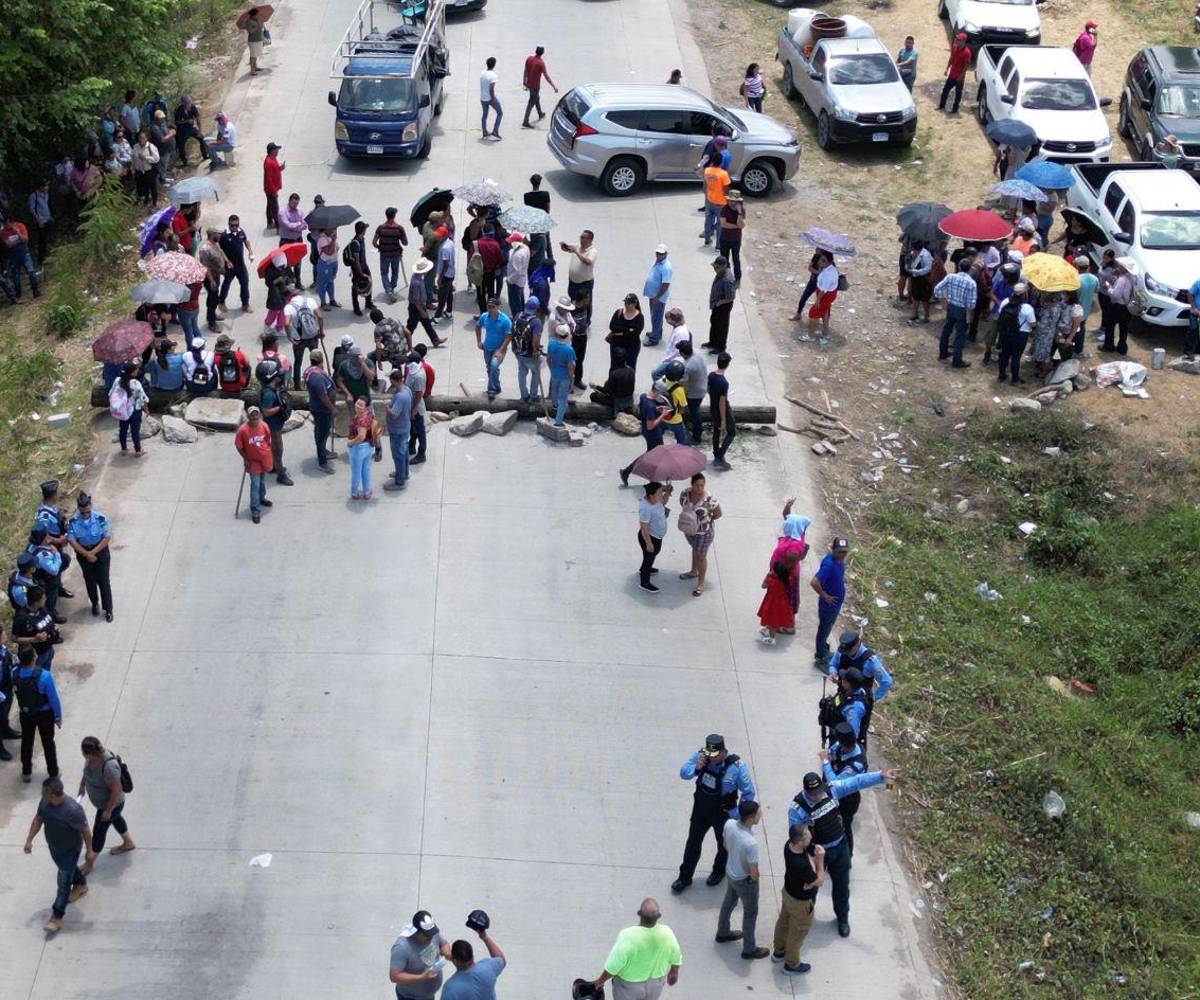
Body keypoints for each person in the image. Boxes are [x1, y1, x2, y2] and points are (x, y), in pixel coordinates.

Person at [787, 767, 896, 937]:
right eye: (813, 794)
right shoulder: (798, 809)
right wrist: (807, 858)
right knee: (810, 889)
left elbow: (855, 782)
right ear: (805, 791)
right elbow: (796, 838)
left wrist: (880, 776)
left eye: (819, 792)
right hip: (818, 854)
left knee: (842, 887)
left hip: (840, 848)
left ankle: (842, 918)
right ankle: (805, 918)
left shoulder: (831, 790)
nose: (818, 796)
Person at [673, 731, 755, 892]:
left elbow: (748, 792)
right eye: (709, 754)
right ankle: (684, 877)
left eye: (715, 755)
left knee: (723, 846)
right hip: (701, 809)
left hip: (723, 812)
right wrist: (696, 768)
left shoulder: (736, 767)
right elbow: (683, 773)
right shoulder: (701, 757)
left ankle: (718, 872)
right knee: (692, 843)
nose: (711, 758)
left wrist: (739, 816)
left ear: (723, 751)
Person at [24, 776, 94, 933]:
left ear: (54, 794)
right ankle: (81, 884)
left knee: (63, 885)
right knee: (67, 871)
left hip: (70, 850)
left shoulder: (73, 810)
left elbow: (86, 831)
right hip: (55, 848)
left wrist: (89, 851)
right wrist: (29, 840)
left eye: (44, 794)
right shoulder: (45, 803)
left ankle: (56, 917)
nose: (41, 796)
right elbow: (38, 820)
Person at [592, 899, 681, 1000]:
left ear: (639, 913)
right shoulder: (667, 933)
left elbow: (614, 966)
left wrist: (600, 981)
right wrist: (674, 971)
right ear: (659, 915)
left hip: (629, 988)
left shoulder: (627, 936)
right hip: (655, 986)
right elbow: (676, 954)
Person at [715, 800, 769, 960]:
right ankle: (749, 949)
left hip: (731, 873)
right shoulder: (750, 843)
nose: (761, 814)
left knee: (728, 903)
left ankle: (722, 932)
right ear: (752, 818)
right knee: (750, 913)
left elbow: (725, 845)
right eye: (759, 812)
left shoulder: (730, 824)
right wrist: (755, 880)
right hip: (745, 881)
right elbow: (753, 872)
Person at [771, 823, 825, 975]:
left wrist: (811, 880)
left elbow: (812, 879)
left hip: (788, 893)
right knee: (797, 933)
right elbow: (819, 881)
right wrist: (819, 860)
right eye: (808, 837)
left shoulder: (788, 846)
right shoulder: (801, 865)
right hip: (800, 903)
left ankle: (779, 951)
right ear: (800, 842)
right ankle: (791, 964)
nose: (811, 838)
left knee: (783, 921)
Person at [827, 629, 893, 744]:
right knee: (835, 724)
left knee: (854, 736)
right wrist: (833, 672)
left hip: (859, 702)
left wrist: (873, 698)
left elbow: (886, 682)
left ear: (858, 644)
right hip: (843, 695)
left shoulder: (870, 661)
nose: (845, 653)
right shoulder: (842, 651)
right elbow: (833, 664)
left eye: (848, 651)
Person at [78, 736, 135, 863]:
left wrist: (108, 811)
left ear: (91, 753)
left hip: (111, 805)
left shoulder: (109, 766)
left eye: (83, 752)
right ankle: (128, 842)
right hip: (103, 804)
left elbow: (116, 790)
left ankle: (90, 863)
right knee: (116, 819)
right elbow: (86, 771)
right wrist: (82, 785)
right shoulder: (91, 759)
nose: (82, 754)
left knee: (99, 832)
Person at [15, 645, 62, 779]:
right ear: (34, 657)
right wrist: (58, 716)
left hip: (25, 713)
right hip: (44, 714)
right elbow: (53, 699)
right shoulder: (44, 676)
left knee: (26, 741)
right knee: (48, 743)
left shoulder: (15, 673)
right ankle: (53, 772)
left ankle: (26, 772)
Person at [822, 723, 869, 855]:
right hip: (833, 794)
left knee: (844, 827)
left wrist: (825, 763)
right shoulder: (841, 746)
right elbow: (831, 751)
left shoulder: (856, 763)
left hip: (848, 799)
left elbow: (836, 783)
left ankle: (848, 855)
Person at [67, 493, 113, 622]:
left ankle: (108, 609)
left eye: (87, 510)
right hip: (83, 553)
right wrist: (86, 554)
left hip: (100, 551)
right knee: (90, 581)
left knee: (104, 581)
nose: (85, 513)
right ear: (79, 508)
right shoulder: (73, 521)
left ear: (90, 506)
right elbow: (72, 540)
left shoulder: (100, 518)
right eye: (83, 511)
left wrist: (93, 552)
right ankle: (94, 603)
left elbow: (107, 537)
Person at [390, 910, 451, 1000]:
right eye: (427, 935)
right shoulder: (401, 947)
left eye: (431, 934)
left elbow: (443, 943)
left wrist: (446, 953)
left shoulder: (432, 932)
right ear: (416, 932)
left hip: (428, 996)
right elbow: (394, 976)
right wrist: (421, 977)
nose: (430, 937)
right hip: (410, 997)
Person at [619, 379, 668, 485]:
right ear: (658, 391)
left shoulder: (643, 397)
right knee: (656, 457)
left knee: (649, 455)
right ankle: (652, 481)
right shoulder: (650, 407)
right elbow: (650, 426)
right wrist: (662, 415)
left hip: (646, 433)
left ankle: (627, 471)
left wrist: (658, 409)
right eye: (662, 393)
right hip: (653, 434)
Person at [811, 537, 849, 667]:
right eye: (839, 551)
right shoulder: (829, 564)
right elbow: (814, 582)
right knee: (824, 630)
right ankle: (820, 657)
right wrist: (825, 596)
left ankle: (824, 649)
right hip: (828, 606)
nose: (842, 555)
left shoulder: (839, 561)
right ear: (833, 550)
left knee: (827, 629)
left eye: (845, 552)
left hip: (835, 605)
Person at [442, 924, 506, 1000]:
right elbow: (501, 959)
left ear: (455, 960)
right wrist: (485, 937)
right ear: (472, 955)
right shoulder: (487, 968)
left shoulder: (450, 988)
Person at [934, 259, 977, 368]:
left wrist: (944, 300)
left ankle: (943, 353)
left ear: (959, 266)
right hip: (962, 310)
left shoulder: (951, 277)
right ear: (970, 269)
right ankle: (957, 360)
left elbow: (937, 289)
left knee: (946, 329)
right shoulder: (971, 283)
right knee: (960, 335)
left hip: (951, 306)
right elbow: (971, 304)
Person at [234, 406, 273, 524]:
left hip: (264, 459)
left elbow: (268, 440)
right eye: (252, 415)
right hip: (252, 461)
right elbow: (239, 446)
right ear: (248, 417)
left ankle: (262, 498)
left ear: (259, 415)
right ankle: (255, 510)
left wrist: (267, 453)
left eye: (257, 414)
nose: (255, 417)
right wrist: (245, 458)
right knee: (255, 485)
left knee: (262, 481)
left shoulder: (264, 426)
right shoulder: (242, 430)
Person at [772, 501, 809, 624]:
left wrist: (776, 574)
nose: (785, 524)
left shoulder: (794, 546)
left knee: (786, 598)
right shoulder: (797, 534)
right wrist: (788, 507)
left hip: (785, 576)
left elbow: (789, 565)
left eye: (788, 523)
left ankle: (788, 624)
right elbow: (786, 516)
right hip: (781, 572)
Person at [996, 282, 1035, 384]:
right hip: (1021, 334)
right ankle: (1014, 379)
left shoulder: (1005, 302)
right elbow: (1033, 324)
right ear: (1024, 294)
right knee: (1016, 357)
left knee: (1004, 353)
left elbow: (1000, 314)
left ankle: (1001, 374)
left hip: (1005, 331)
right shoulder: (1027, 308)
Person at [475, 297, 512, 399]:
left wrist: (500, 351)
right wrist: (478, 341)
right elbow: (477, 326)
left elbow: (509, 336)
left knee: (493, 366)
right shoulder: (484, 316)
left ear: (497, 307)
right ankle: (497, 386)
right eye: (489, 307)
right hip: (487, 348)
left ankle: (491, 389)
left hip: (499, 349)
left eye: (493, 307)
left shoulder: (505, 320)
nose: (490, 309)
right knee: (490, 368)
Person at [108, 363, 150, 456]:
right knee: (135, 431)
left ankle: (124, 448)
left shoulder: (117, 381)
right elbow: (142, 398)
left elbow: (110, 393)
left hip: (123, 410)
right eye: (136, 370)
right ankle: (138, 450)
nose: (137, 371)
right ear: (132, 373)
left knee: (123, 429)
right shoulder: (136, 383)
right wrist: (146, 410)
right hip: (135, 410)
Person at [546, 297, 577, 423]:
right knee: (563, 399)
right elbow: (570, 366)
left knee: (554, 390)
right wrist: (572, 379)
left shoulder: (552, 345)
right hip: (565, 375)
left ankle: (554, 405)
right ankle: (558, 422)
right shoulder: (569, 350)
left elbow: (548, 359)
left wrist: (551, 368)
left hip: (555, 372)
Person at [637, 481, 669, 593]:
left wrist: (668, 493)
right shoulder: (645, 508)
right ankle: (644, 582)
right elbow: (644, 527)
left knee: (653, 554)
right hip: (649, 537)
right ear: (651, 495)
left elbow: (663, 502)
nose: (662, 494)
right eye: (660, 493)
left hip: (657, 536)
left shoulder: (656, 500)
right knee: (648, 559)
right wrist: (649, 543)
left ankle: (645, 569)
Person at [384, 369, 413, 492]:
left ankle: (399, 482)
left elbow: (394, 414)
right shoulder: (407, 390)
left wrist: (387, 408)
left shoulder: (401, 396)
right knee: (404, 452)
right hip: (404, 426)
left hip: (398, 429)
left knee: (398, 455)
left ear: (394, 381)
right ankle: (404, 473)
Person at [512, 295, 544, 401]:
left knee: (522, 371)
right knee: (535, 372)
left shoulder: (518, 315)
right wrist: (535, 350)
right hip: (530, 353)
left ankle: (524, 395)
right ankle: (533, 396)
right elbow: (536, 337)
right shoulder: (536, 321)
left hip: (518, 350)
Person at [373, 207, 408, 302]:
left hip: (384, 254)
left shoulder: (380, 228)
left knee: (384, 273)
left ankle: (388, 290)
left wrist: (380, 248)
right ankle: (392, 288)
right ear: (394, 216)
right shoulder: (399, 228)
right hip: (396, 254)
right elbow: (405, 242)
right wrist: (400, 236)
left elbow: (374, 242)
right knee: (395, 272)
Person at [707, 352, 735, 469]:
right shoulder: (724, 383)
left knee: (716, 431)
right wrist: (724, 420)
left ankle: (716, 453)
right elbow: (722, 402)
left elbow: (708, 389)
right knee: (732, 432)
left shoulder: (711, 375)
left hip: (713, 407)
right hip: (721, 410)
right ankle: (720, 455)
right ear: (727, 365)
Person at [347, 397, 378, 500]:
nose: (357, 406)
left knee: (356, 473)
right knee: (366, 470)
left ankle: (354, 493)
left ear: (365, 407)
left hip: (358, 448)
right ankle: (367, 491)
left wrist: (350, 442)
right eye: (357, 403)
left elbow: (361, 436)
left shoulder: (361, 420)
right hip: (368, 447)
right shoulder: (369, 414)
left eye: (361, 405)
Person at [562, 229, 597, 325]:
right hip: (573, 282)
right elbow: (567, 249)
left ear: (589, 239)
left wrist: (577, 252)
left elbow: (588, 262)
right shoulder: (577, 246)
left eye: (583, 237)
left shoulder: (592, 251)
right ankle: (573, 319)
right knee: (573, 301)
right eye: (580, 237)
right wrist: (564, 246)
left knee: (585, 303)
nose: (580, 239)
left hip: (585, 283)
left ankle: (586, 322)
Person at [589, 348, 636, 417]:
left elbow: (606, 391)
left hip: (618, 401)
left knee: (593, 395)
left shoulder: (614, 374)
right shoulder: (631, 370)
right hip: (629, 399)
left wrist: (595, 387)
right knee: (607, 383)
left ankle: (602, 413)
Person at [407, 258, 444, 347]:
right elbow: (416, 300)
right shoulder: (416, 283)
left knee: (427, 324)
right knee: (411, 327)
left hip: (420, 306)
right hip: (415, 308)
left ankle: (435, 340)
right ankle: (404, 342)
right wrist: (422, 311)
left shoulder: (417, 277)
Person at [2, 216, 39, 300]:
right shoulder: (3, 232)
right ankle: (18, 294)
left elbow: (25, 240)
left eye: (7, 224)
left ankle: (35, 291)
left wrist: (18, 233)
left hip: (24, 253)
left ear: (12, 222)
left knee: (31, 272)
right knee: (16, 276)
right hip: (13, 256)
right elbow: (8, 245)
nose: (6, 226)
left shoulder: (20, 226)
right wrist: (19, 241)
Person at [704, 256, 736, 353]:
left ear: (724, 266)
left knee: (721, 326)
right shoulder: (720, 273)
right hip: (717, 304)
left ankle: (720, 347)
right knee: (714, 322)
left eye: (717, 267)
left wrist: (719, 303)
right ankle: (713, 342)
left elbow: (730, 297)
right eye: (714, 267)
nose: (715, 269)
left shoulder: (726, 280)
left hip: (723, 306)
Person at [1101, 259, 1133, 354]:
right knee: (1124, 329)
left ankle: (1108, 346)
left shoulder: (1122, 280)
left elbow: (1115, 295)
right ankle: (1122, 347)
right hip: (1127, 307)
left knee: (1110, 326)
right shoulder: (1133, 278)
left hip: (1118, 306)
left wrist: (1109, 288)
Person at [757, 561, 794, 645]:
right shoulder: (787, 579)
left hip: (772, 603)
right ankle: (769, 630)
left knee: (771, 620)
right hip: (782, 602)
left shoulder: (772, 581)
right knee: (776, 618)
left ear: (776, 573)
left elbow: (763, 585)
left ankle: (771, 638)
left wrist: (767, 575)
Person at [608, 293, 646, 373]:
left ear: (635, 304)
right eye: (625, 303)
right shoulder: (618, 312)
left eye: (629, 303)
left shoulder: (639, 317)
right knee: (614, 366)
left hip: (632, 345)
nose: (626, 305)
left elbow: (636, 332)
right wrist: (628, 330)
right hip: (617, 343)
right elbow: (612, 326)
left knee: (630, 367)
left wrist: (622, 331)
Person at [521, 45, 558, 128]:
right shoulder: (541, 63)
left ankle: (540, 113)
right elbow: (546, 76)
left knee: (536, 98)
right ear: (543, 53)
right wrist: (553, 86)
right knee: (531, 102)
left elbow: (525, 71)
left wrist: (524, 82)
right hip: (535, 86)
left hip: (529, 84)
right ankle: (525, 121)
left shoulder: (529, 58)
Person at [643, 246, 672, 346]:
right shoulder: (658, 262)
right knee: (654, 315)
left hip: (658, 297)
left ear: (666, 254)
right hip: (653, 295)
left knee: (657, 317)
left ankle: (654, 339)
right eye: (657, 253)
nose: (659, 255)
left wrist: (657, 297)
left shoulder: (666, 267)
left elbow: (666, 284)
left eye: (661, 254)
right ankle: (656, 332)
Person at [806, 253, 839, 342]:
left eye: (822, 260)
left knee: (813, 314)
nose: (819, 262)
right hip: (828, 295)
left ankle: (811, 335)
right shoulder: (830, 268)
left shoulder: (829, 274)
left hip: (824, 296)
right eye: (820, 260)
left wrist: (818, 300)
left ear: (828, 262)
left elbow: (824, 290)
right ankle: (825, 333)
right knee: (825, 313)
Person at [406, 349, 430, 465]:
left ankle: (421, 454)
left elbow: (419, 394)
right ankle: (411, 447)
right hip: (410, 406)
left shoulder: (419, 375)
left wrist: (414, 410)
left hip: (416, 408)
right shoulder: (413, 370)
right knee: (413, 429)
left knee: (420, 431)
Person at [700, 154, 730, 247]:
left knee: (708, 221)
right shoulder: (723, 174)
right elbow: (726, 189)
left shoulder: (707, 171)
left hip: (710, 200)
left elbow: (705, 185)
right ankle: (718, 245)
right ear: (721, 162)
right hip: (721, 203)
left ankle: (707, 239)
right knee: (720, 225)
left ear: (712, 160)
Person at [938, 32, 971, 113]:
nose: (957, 40)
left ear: (963, 41)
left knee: (958, 94)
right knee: (945, 90)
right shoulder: (954, 47)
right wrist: (947, 68)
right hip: (952, 74)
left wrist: (961, 76)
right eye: (957, 39)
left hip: (959, 76)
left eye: (959, 40)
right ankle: (942, 105)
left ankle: (955, 109)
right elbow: (951, 58)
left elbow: (966, 66)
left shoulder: (967, 52)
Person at [346, 220, 374, 317]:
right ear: (362, 230)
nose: (366, 230)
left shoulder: (362, 239)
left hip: (364, 266)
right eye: (365, 228)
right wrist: (361, 273)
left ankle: (368, 302)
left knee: (369, 282)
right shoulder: (355, 243)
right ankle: (356, 307)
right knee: (356, 286)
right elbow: (357, 260)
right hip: (358, 269)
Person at [717, 190, 745, 285]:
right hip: (725, 238)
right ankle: (726, 278)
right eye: (730, 200)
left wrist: (739, 213)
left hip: (736, 239)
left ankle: (737, 279)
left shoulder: (741, 210)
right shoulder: (724, 209)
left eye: (734, 201)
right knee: (724, 259)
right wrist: (736, 226)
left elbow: (740, 224)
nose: (732, 203)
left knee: (736, 259)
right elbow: (723, 224)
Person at [173, 95, 208, 165]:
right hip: (182, 130)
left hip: (191, 128)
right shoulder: (179, 110)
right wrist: (187, 121)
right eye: (187, 103)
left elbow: (198, 119)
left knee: (202, 139)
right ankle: (184, 162)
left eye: (189, 102)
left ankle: (205, 155)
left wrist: (200, 131)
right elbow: (177, 122)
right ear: (183, 104)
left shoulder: (193, 107)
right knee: (181, 146)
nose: (189, 104)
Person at [1074, 257, 1099, 354]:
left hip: (1075, 310)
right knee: (1081, 328)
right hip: (1086, 309)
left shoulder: (1076, 279)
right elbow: (1097, 290)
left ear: (1077, 266)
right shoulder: (1094, 278)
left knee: (1073, 329)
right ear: (1088, 266)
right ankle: (1078, 349)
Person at [907, 240, 934, 323]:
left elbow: (928, 268)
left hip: (924, 279)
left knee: (925, 298)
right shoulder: (912, 254)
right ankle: (914, 313)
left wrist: (915, 271)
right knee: (915, 296)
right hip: (915, 278)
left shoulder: (925, 255)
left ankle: (926, 316)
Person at [130, 131, 160, 205]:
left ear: (146, 138)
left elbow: (156, 158)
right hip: (139, 171)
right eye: (140, 138)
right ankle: (146, 200)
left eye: (143, 138)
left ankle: (154, 202)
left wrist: (146, 158)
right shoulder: (135, 147)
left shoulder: (151, 147)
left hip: (149, 170)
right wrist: (133, 169)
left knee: (153, 187)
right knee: (144, 187)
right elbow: (133, 159)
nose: (141, 140)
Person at [431, 225, 454, 320]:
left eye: (439, 236)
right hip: (451, 273)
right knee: (449, 294)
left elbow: (446, 264)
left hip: (445, 275)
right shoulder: (450, 242)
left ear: (444, 236)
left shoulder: (444, 248)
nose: (437, 237)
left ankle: (437, 318)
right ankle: (448, 312)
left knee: (441, 297)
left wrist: (440, 278)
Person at [504, 231, 530, 315]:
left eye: (512, 242)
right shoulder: (525, 248)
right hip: (521, 281)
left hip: (514, 282)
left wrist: (509, 280)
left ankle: (517, 321)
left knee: (514, 305)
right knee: (520, 302)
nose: (510, 244)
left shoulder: (517, 255)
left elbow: (517, 272)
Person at [263, 142, 284, 230]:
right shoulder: (268, 162)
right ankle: (278, 227)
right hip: (271, 189)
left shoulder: (273, 158)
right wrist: (274, 191)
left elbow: (275, 170)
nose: (277, 151)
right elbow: (269, 179)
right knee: (275, 208)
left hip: (273, 188)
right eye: (276, 150)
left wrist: (280, 168)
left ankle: (269, 222)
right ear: (272, 151)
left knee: (270, 205)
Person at [480, 56, 502, 139]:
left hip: (482, 98)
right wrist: (493, 99)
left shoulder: (482, 73)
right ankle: (495, 131)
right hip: (490, 98)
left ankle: (484, 132)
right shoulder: (493, 76)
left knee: (484, 115)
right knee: (500, 113)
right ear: (494, 65)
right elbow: (491, 89)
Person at [245, 7, 266, 75]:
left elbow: (261, 26)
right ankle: (252, 70)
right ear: (254, 14)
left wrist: (261, 24)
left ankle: (255, 67)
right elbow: (250, 31)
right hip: (253, 40)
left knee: (256, 54)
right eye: (257, 14)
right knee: (253, 55)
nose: (258, 15)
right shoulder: (249, 21)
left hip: (258, 39)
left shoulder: (257, 19)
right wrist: (258, 27)